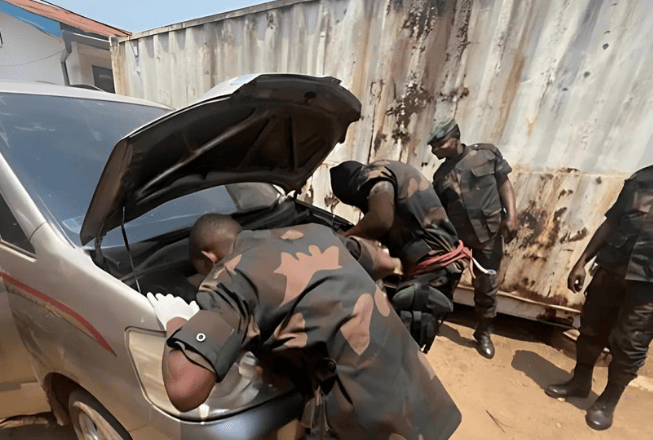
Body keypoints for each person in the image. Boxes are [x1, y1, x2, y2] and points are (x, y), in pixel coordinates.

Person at [147, 214, 461, 440]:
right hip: (420, 392)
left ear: (208, 257)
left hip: (366, 422)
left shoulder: (230, 277)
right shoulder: (314, 232)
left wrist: (176, 320)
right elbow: (377, 260)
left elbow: (184, 390)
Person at [545, 165, 653, 431]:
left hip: (648, 286)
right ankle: (580, 381)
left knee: (631, 344)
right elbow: (612, 223)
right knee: (591, 328)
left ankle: (608, 402)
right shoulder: (641, 178)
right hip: (611, 269)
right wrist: (582, 261)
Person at [329, 159, 470, 351]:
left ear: (352, 187)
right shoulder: (390, 171)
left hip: (433, 269)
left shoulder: (373, 175)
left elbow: (380, 220)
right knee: (404, 339)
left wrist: (342, 238)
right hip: (437, 267)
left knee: (397, 345)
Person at [428, 119, 518, 359]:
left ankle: (483, 333)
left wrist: (512, 216)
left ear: (455, 138)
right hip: (458, 241)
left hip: (489, 236)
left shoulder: (486, 154)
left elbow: (504, 183)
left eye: (439, 144)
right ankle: (434, 321)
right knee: (445, 282)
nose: (434, 150)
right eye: (432, 146)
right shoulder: (441, 176)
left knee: (487, 287)